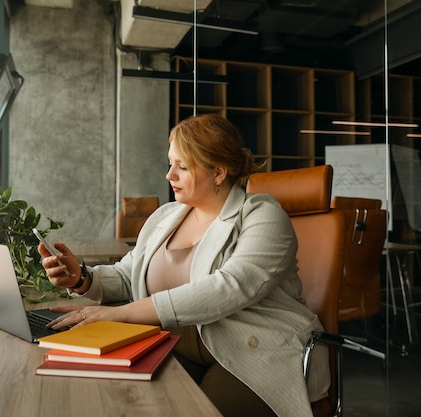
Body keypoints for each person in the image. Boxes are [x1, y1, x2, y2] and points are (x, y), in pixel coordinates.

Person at [39, 114, 330, 417]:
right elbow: (128, 274)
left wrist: (121, 314)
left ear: (218, 172)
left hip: (252, 347)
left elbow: (228, 288)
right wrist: (81, 279)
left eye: (182, 166)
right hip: (176, 339)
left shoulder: (263, 216)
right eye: (170, 164)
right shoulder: (165, 217)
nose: (169, 176)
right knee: (122, 399)